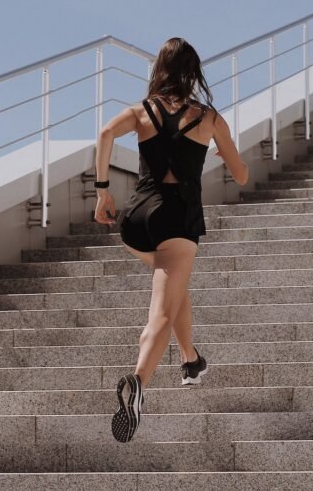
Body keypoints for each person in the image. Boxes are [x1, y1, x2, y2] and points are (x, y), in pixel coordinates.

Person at [94, 37, 249, 443]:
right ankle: (138, 383)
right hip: (178, 219)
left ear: (159, 70)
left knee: (173, 287)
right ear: (193, 72)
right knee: (160, 311)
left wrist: (102, 192)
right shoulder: (208, 117)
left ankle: (190, 360)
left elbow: (106, 133)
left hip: (137, 217)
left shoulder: (141, 112)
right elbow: (243, 174)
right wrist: (222, 153)